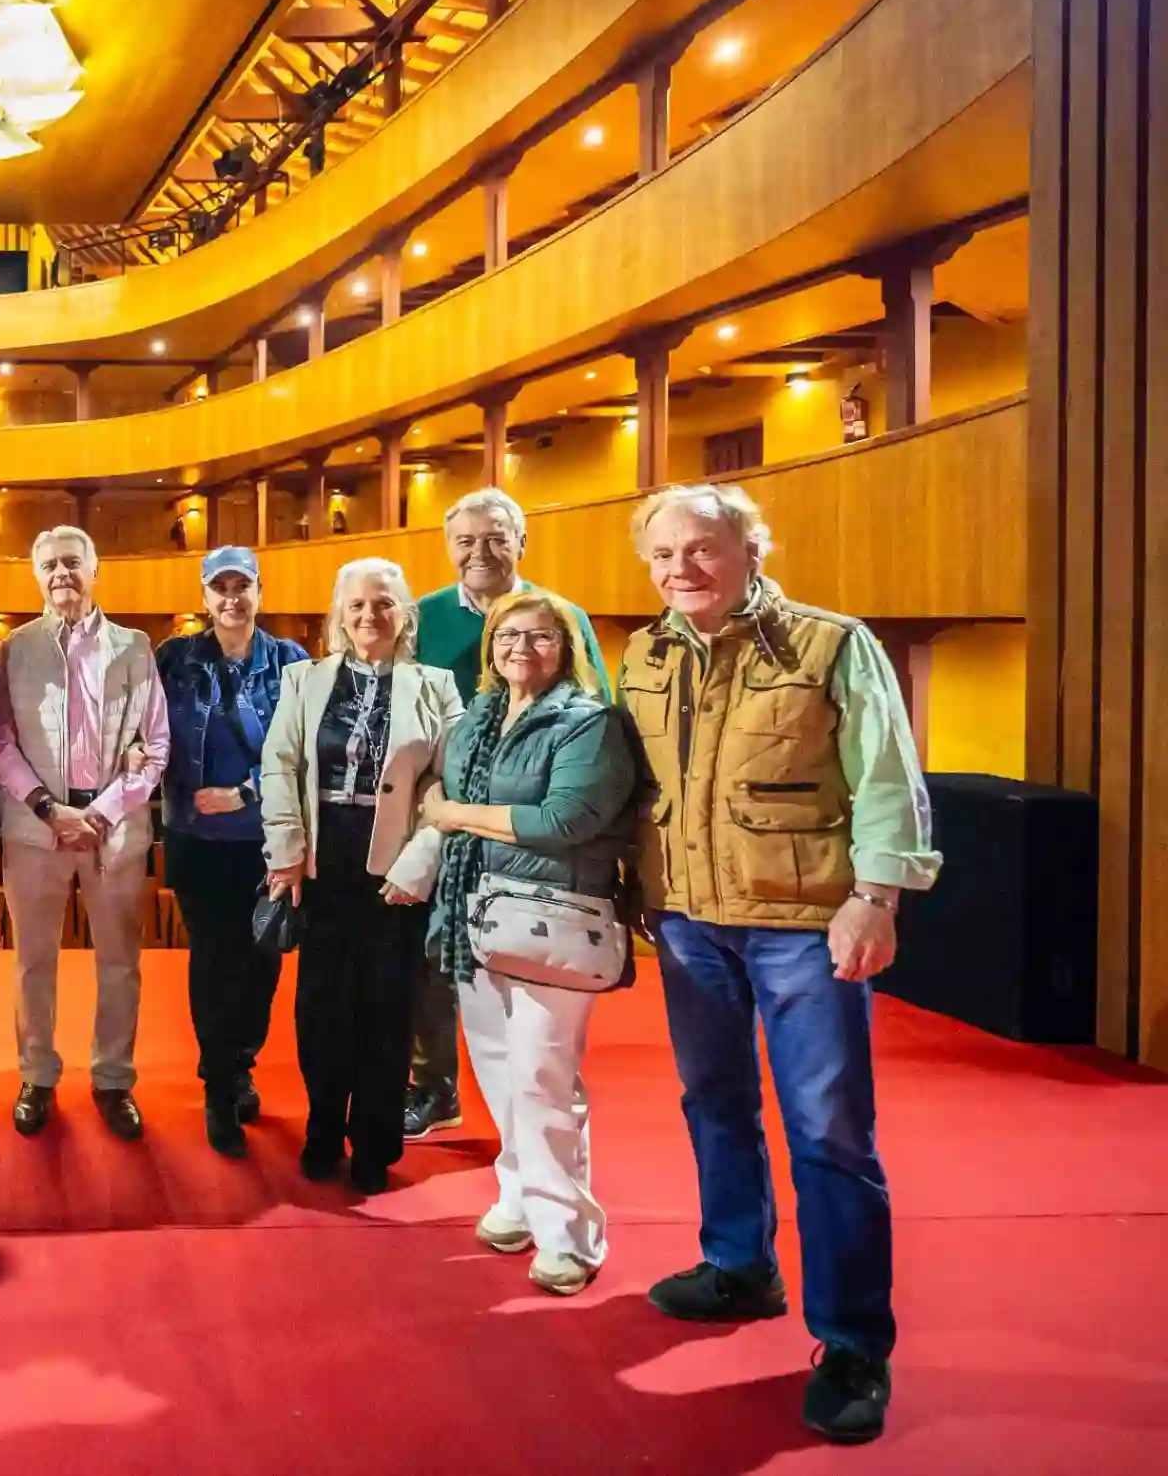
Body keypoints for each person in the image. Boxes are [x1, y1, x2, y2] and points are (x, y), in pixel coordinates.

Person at [619, 483, 936, 1445]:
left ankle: (851, 1344)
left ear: (752, 549)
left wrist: (876, 898)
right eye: (664, 555)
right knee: (713, 1102)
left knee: (830, 1133)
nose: (682, 570)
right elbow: (630, 783)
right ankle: (739, 1265)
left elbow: (889, 778)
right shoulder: (643, 652)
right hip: (685, 920)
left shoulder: (832, 645)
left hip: (804, 922)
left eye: (703, 549)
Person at [386, 589, 639, 1295]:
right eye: (508, 637)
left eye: (540, 638)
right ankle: (521, 1194)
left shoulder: (590, 723)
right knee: (498, 1070)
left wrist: (455, 812)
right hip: (476, 915)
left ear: (569, 649)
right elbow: (441, 813)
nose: (521, 650)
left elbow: (564, 819)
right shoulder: (475, 724)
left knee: (543, 1075)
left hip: (552, 915)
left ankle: (569, 1234)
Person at [405, 488, 612, 1142]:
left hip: (532, 824)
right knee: (435, 956)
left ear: (521, 543)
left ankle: (534, 1121)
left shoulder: (562, 615)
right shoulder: (424, 616)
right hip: (439, 815)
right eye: (465, 540)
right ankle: (435, 1086)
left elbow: (597, 706)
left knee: (522, 962)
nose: (479, 553)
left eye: (495, 538)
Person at [260, 558, 463, 1193]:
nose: (369, 615)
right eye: (356, 605)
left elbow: (451, 782)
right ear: (338, 616)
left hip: (397, 867)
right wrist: (286, 850)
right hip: (323, 859)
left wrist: (421, 858)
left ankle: (375, 1141)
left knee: (388, 1007)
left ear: (404, 615)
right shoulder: (303, 679)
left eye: (383, 604)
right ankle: (323, 1126)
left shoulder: (436, 686)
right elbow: (279, 765)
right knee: (322, 1008)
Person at [0, 525, 169, 1141]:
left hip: (113, 831)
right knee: (33, 962)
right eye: (50, 564)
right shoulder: (14, 648)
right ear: (36, 575)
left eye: (72, 563)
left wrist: (104, 811)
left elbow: (158, 743)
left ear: (95, 571)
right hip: (36, 830)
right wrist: (48, 809)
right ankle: (37, 1076)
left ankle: (114, 1078)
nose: (61, 573)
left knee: (120, 963)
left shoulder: (135, 646)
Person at [155, 546, 307, 1157]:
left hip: (269, 837)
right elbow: (144, 726)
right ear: (204, 597)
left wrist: (243, 792)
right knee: (215, 958)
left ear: (259, 592)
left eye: (241, 586)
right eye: (219, 588)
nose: (230, 598)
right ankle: (219, 1083)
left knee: (263, 960)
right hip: (198, 839)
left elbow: (301, 747)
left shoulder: (292, 661)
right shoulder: (175, 659)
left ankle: (243, 1061)